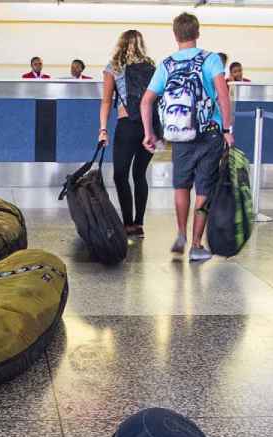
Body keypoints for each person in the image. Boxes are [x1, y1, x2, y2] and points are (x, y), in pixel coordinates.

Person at [141, 12, 234, 263]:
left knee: (181, 185)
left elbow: (146, 100)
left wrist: (149, 133)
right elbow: (223, 96)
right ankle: (196, 244)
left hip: (179, 134)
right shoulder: (211, 59)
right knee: (204, 188)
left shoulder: (166, 64)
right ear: (197, 33)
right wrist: (228, 129)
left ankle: (180, 233)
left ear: (175, 35)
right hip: (209, 133)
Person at [100, 30, 155, 237]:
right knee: (140, 174)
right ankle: (139, 224)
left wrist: (103, 129)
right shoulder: (152, 67)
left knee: (120, 175)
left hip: (127, 125)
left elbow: (106, 101)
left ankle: (128, 223)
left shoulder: (113, 67)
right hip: (150, 127)